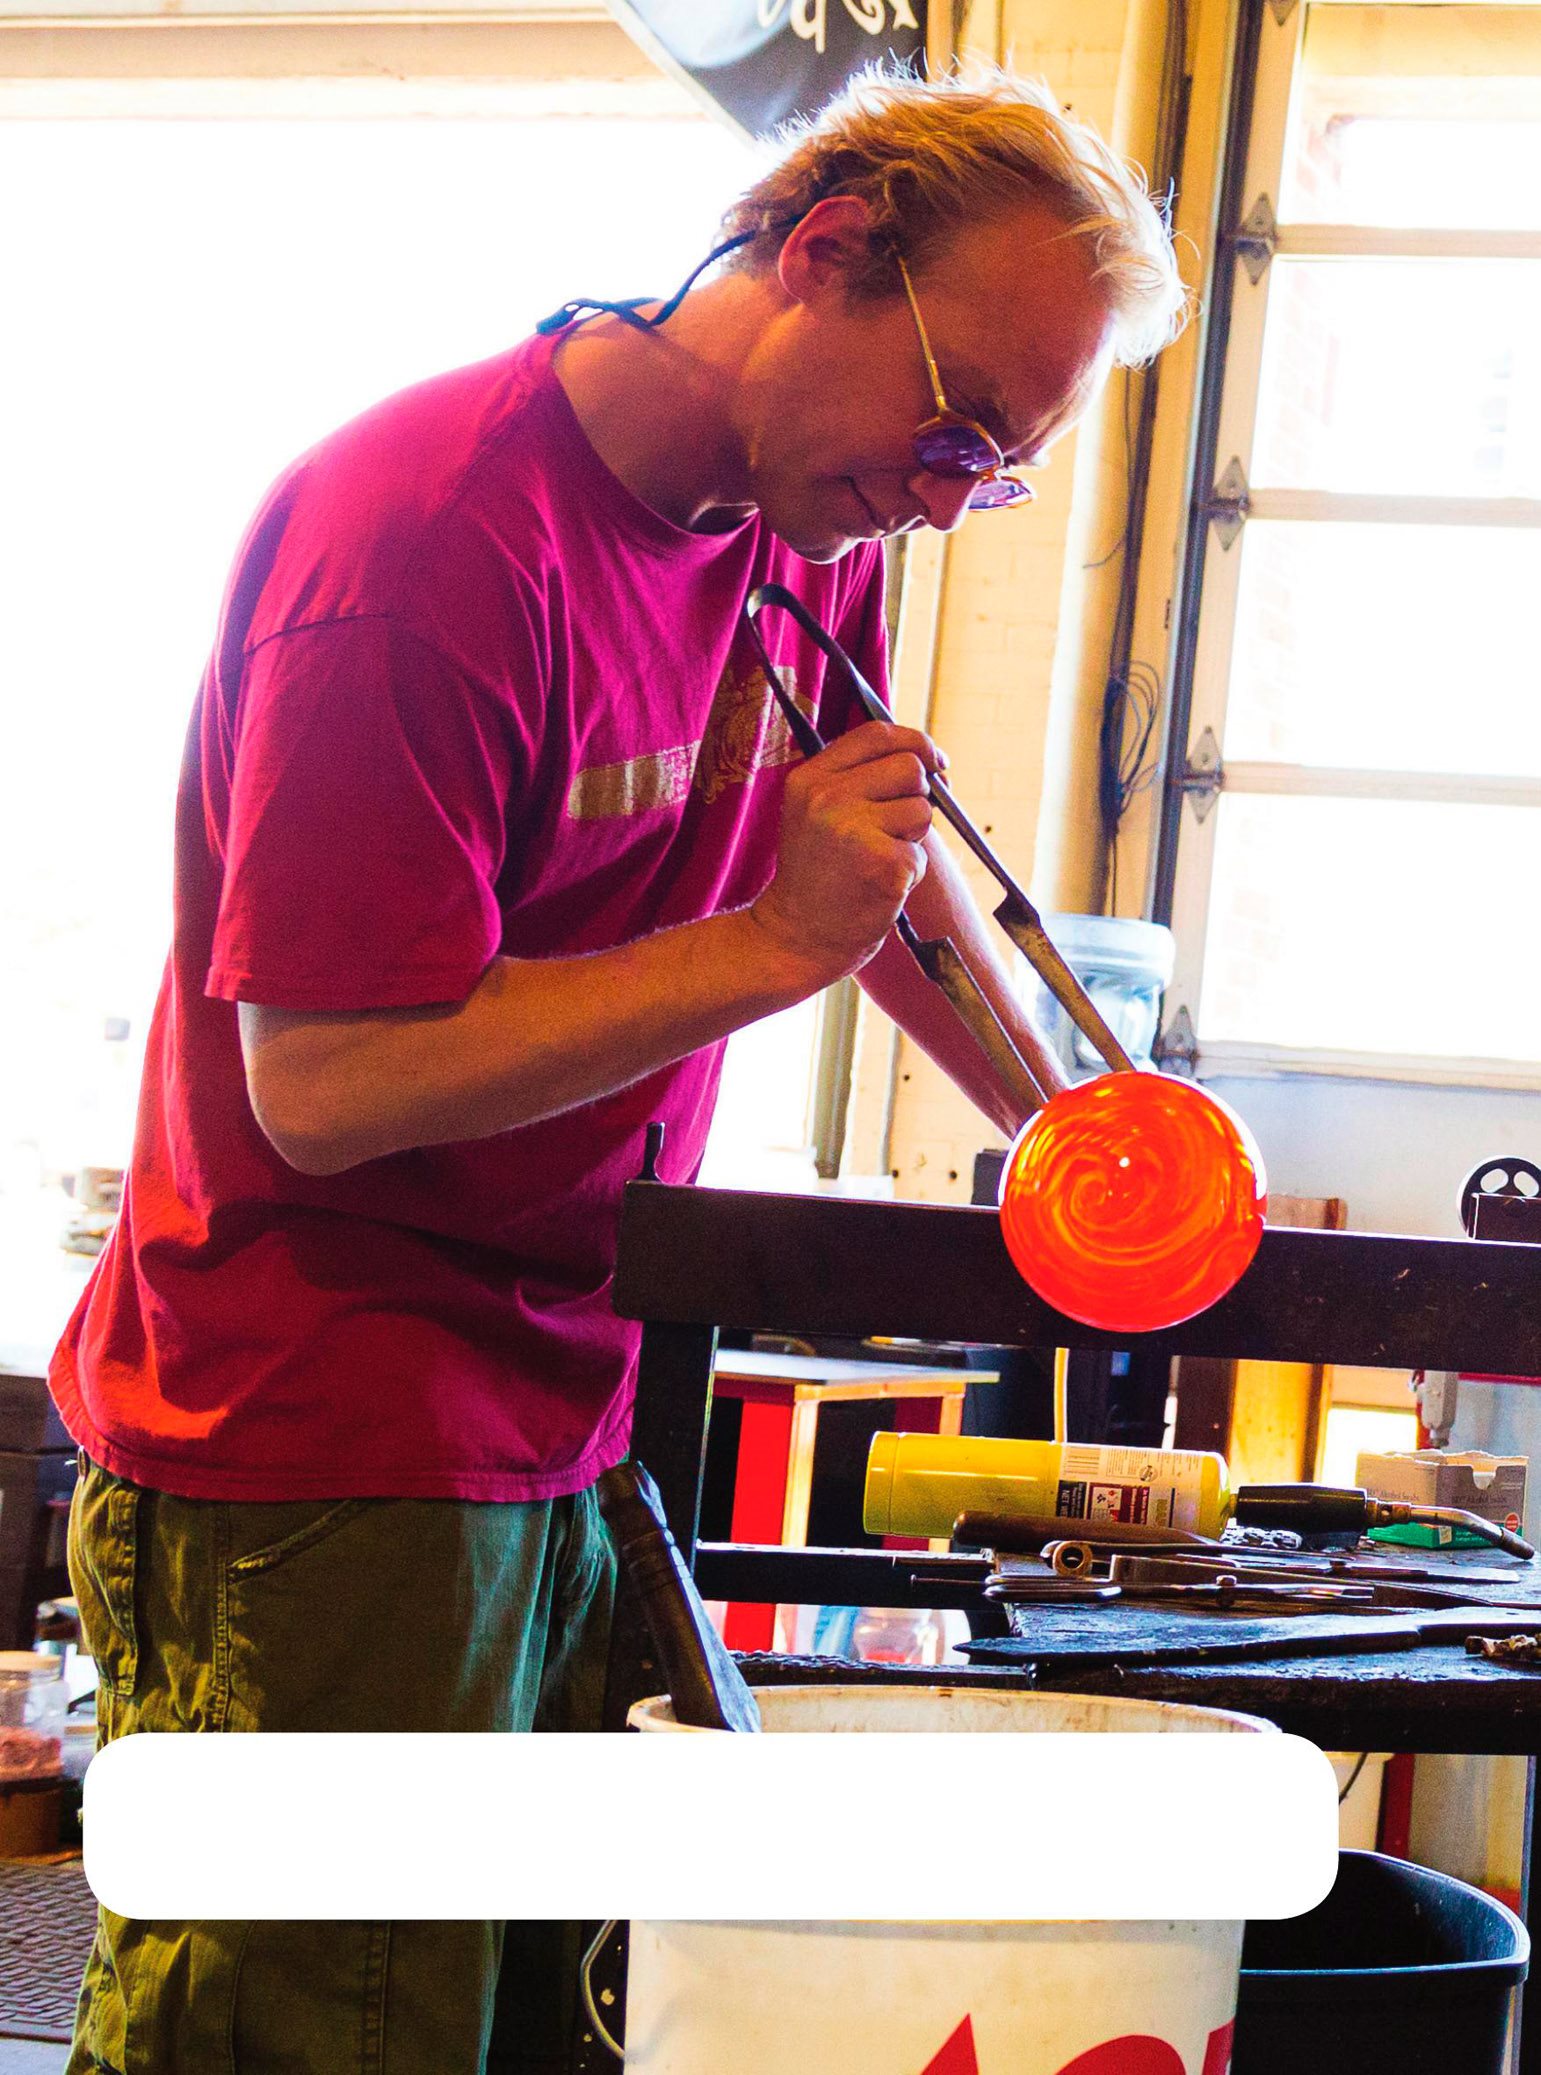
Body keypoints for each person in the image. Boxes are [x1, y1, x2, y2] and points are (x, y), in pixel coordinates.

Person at [51, 62, 1189, 2075]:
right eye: (952, 434)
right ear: (822, 251)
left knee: (517, 2027)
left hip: (562, 1396)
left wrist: (1073, 1127)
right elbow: (322, 1079)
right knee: (323, 2037)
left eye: (993, 473)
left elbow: (870, 855)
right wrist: (767, 951)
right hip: (332, 1428)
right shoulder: (421, 552)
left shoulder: (794, 517)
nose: (944, 503)